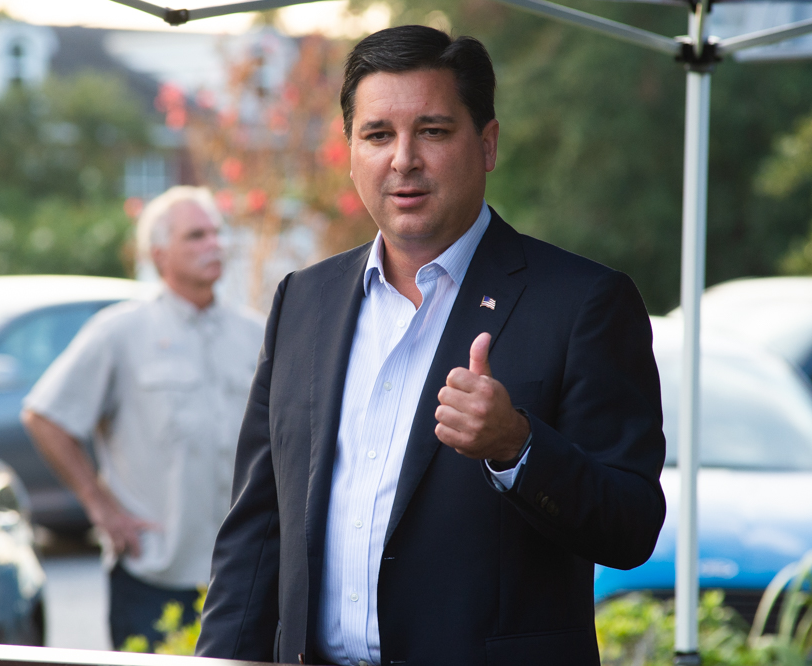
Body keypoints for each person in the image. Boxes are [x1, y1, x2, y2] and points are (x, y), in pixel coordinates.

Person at [195, 26, 666, 666]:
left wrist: (518, 448)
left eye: (434, 131)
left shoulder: (583, 303)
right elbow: (257, 530)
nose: (403, 159)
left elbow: (632, 524)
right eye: (378, 134)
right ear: (351, 148)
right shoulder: (303, 301)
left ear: (488, 143)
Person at [21, 186, 264, 650]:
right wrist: (100, 507)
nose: (214, 244)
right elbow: (44, 417)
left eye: (216, 233)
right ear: (158, 255)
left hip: (242, 574)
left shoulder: (256, 332)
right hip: (153, 574)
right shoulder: (120, 333)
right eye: (196, 236)